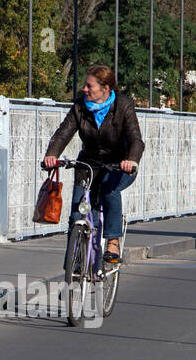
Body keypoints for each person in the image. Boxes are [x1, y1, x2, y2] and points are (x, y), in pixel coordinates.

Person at [42, 65, 144, 263]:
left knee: (108, 190)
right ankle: (76, 267)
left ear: (105, 88)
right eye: (85, 86)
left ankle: (113, 240)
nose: (84, 89)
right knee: (77, 214)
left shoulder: (123, 106)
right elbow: (64, 132)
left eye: (89, 86)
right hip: (88, 164)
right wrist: (51, 155)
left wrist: (131, 159)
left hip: (119, 164)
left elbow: (135, 138)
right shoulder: (81, 106)